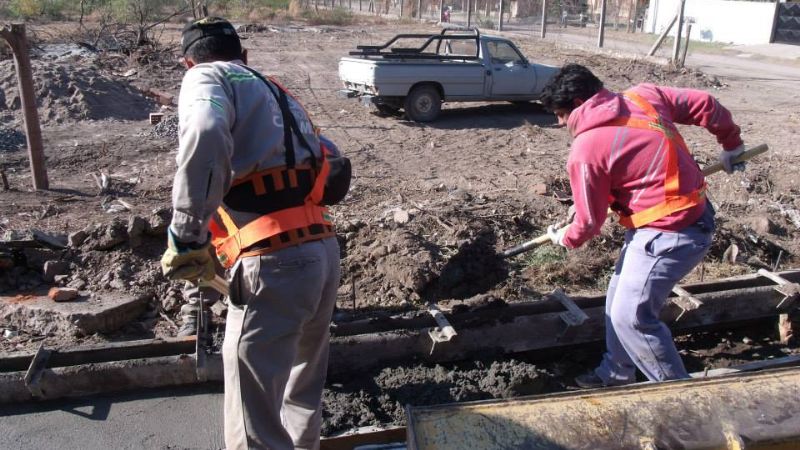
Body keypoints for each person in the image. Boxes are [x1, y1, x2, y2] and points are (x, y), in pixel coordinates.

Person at [160, 17, 341, 449]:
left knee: (253, 417)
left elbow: (205, 129)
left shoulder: (206, 76)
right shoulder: (275, 89)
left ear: (188, 63)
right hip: (321, 252)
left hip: (274, 261)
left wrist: (188, 235)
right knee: (301, 391)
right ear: (244, 55)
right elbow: (334, 163)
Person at [539, 64, 745, 389]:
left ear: (578, 103)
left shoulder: (586, 149)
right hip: (687, 217)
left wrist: (566, 237)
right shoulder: (644, 96)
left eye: (561, 114)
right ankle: (616, 374)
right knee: (615, 304)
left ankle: (679, 395)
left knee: (631, 317)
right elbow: (705, 104)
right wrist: (732, 144)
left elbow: (589, 224)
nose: (561, 123)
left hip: (671, 235)